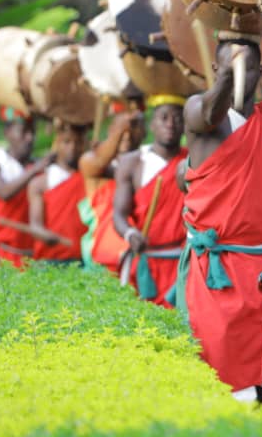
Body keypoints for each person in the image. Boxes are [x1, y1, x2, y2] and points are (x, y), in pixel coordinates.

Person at [176, 40, 262, 401]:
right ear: (215, 68)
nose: (243, 72)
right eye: (230, 66)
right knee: (217, 369)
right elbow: (209, 112)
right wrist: (228, 73)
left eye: (250, 66)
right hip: (215, 270)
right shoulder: (199, 113)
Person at [112, 95, 188, 306]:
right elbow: (119, 214)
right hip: (146, 260)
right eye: (164, 117)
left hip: (184, 262)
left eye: (177, 118)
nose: (170, 123)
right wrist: (130, 233)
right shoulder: (131, 163)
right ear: (152, 124)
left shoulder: (193, 161)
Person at [0, 108, 53, 269]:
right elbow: (4, 193)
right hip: (0, 254)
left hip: (31, 256)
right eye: (24, 132)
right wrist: (35, 169)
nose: (30, 138)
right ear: (7, 132)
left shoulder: (38, 167)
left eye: (32, 132)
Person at [78, 107, 146, 273]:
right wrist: (120, 129)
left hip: (138, 254)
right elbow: (99, 164)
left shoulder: (146, 163)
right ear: (111, 131)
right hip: (101, 258)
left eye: (133, 129)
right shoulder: (90, 160)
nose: (127, 135)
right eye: (122, 129)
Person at [27, 121, 89, 264]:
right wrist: (44, 235)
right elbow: (35, 226)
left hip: (84, 259)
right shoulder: (40, 183)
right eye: (66, 142)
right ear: (57, 144)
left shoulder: (90, 179)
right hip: (50, 260)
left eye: (78, 142)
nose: (73, 147)